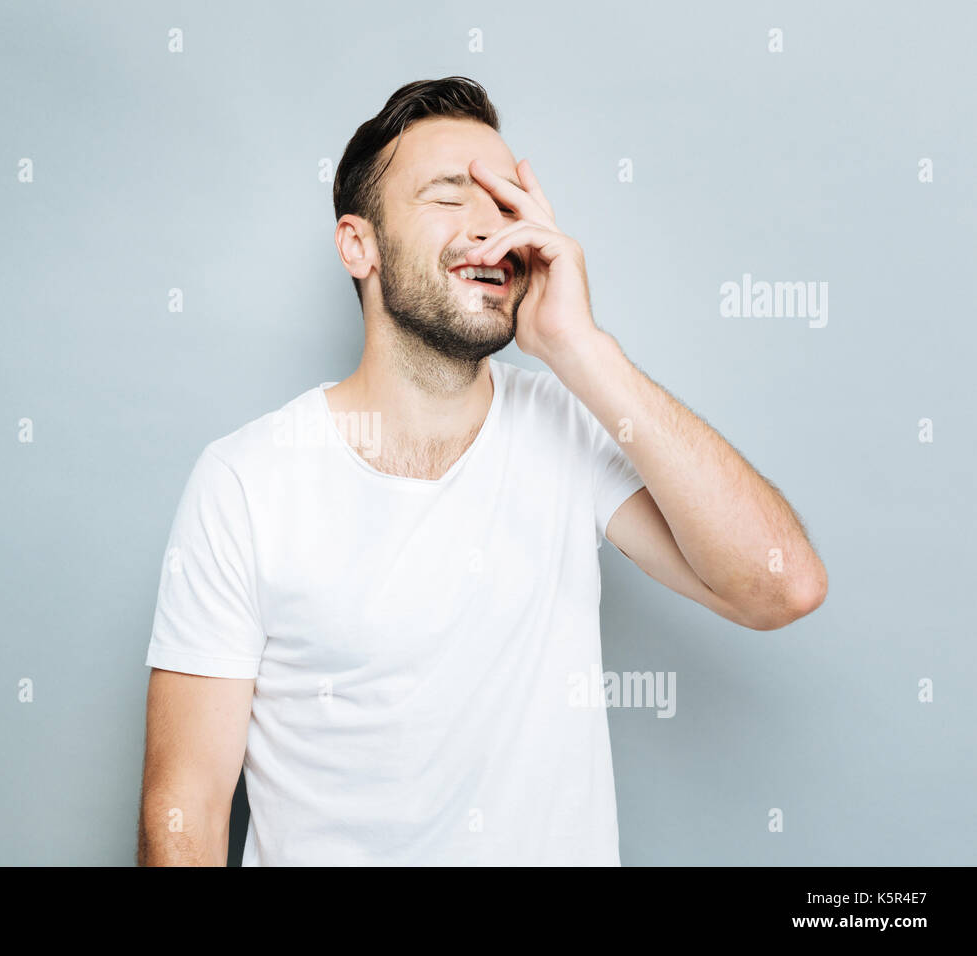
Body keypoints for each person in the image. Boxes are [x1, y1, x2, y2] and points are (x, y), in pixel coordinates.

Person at [136, 76, 827, 866]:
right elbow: (182, 808)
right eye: (448, 198)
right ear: (358, 244)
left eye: (506, 205)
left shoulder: (569, 424)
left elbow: (781, 587)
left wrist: (579, 347)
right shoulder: (245, 481)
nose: (490, 230)